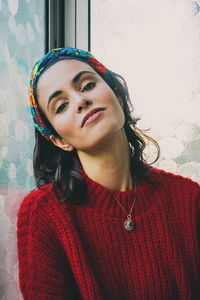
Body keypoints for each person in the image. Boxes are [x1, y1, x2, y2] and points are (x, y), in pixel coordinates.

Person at [17, 47, 200, 300]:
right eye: (61, 106)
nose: (81, 101)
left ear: (118, 96)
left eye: (87, 85)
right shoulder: (43, 213)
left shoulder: (190, 200)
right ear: (59, 140)